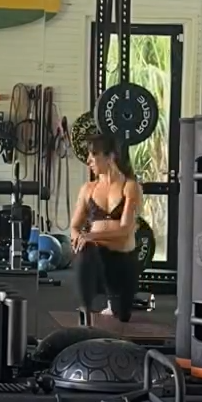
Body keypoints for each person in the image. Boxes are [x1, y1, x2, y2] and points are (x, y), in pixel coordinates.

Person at [68, 133, 145, 322]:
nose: (88, 161)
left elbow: (125, 230)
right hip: (97, 258)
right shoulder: (88, 189)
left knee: (122, 316)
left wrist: (91, 235)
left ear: (110, 157)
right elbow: (74, 227)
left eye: (93, 156)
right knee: (85, 250)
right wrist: (78, 238)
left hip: (122, 261)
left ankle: (113, 304)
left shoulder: (130, 187)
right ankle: (85, 314)